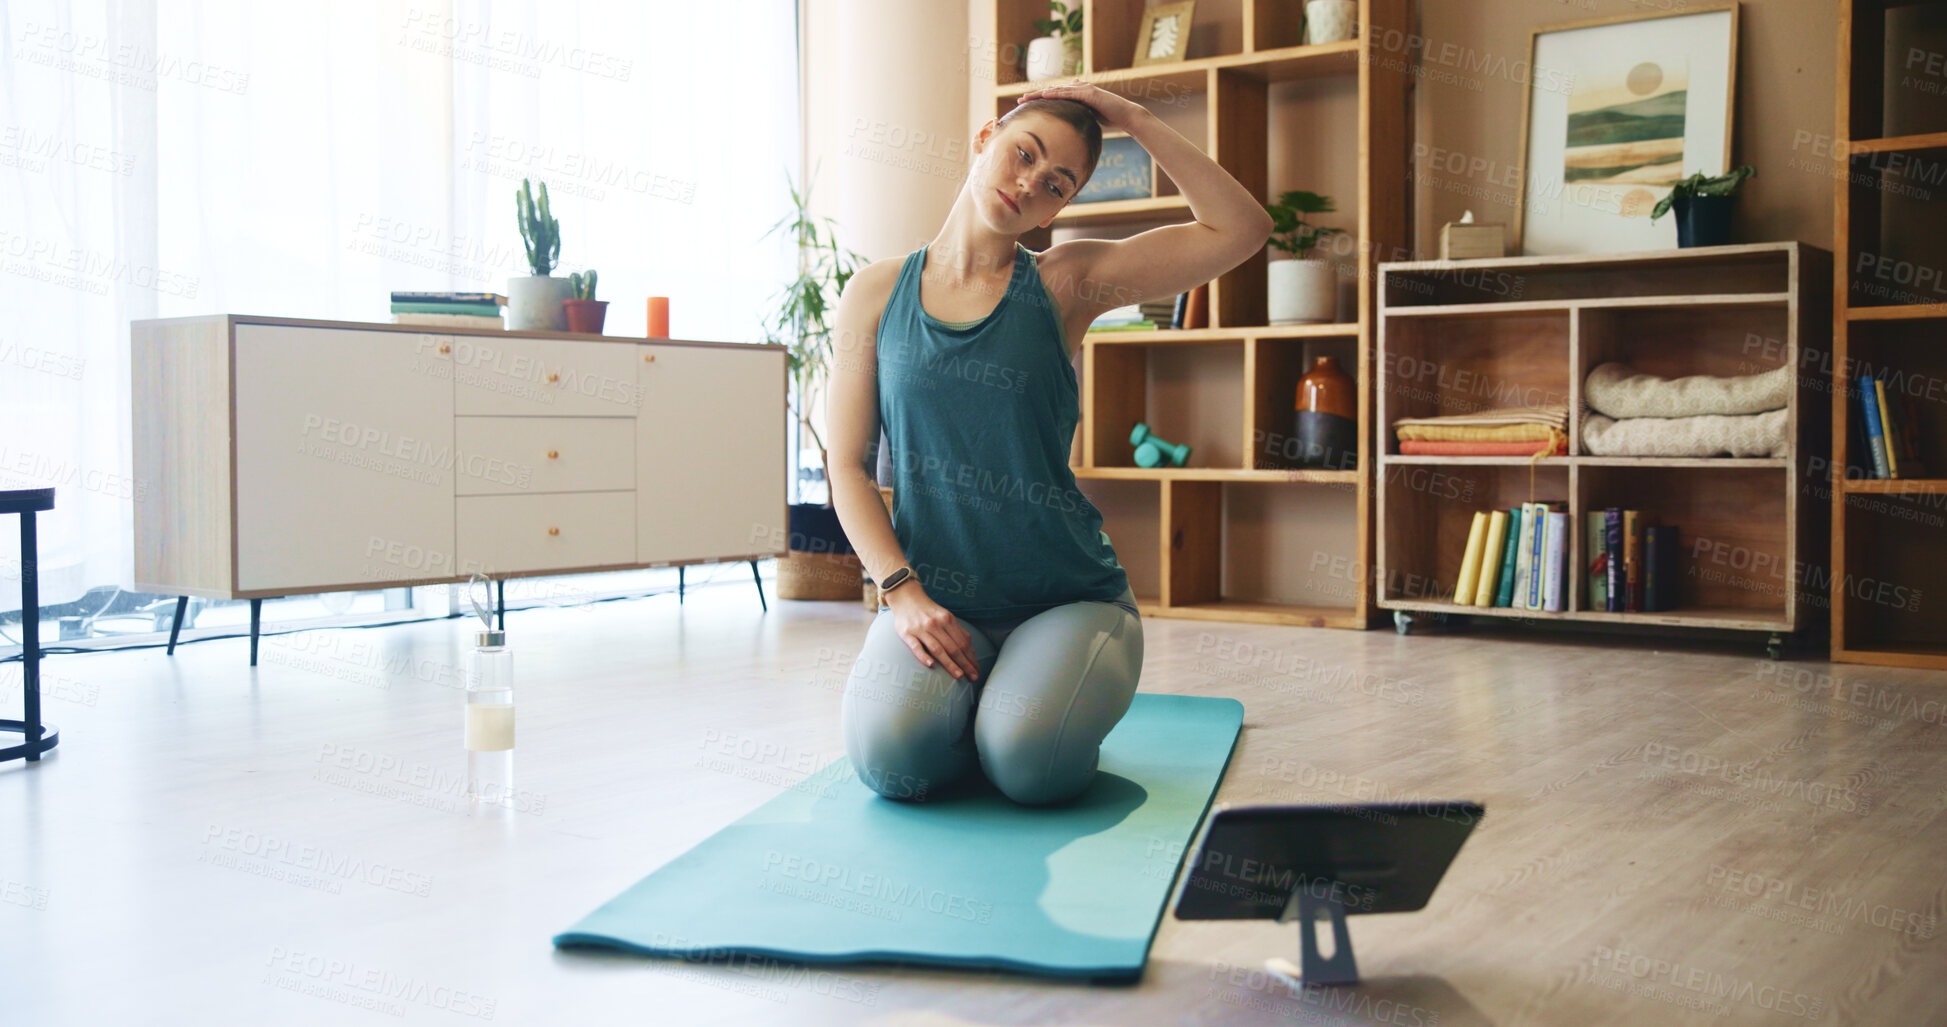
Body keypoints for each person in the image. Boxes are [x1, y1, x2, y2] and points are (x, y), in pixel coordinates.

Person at [825, 79, 1273, 806]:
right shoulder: (873, 293)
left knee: (1028, 765)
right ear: (984, 141)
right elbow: (843, 463)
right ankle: (983, 704)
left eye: (1054, 182)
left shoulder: (1068, 284)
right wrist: (902, 593)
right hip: (937, 598)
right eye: (1021, 153)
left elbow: (1241, 229)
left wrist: (1132, 119)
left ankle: (1023, 702)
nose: (1028, 182)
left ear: (1060, 208)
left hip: (1065, 599)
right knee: (892, 762)